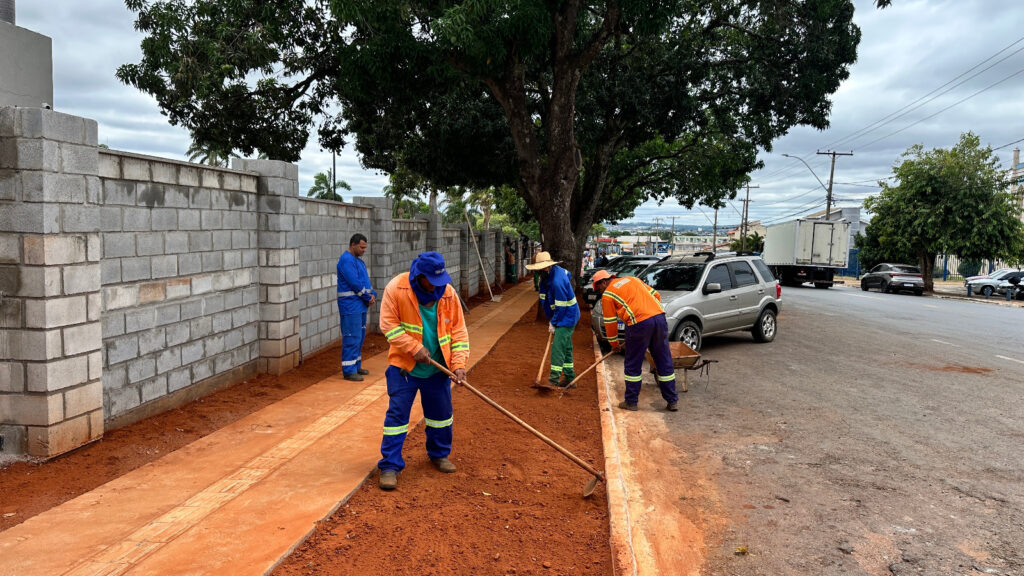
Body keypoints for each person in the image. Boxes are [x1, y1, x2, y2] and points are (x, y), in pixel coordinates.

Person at [376, 251, 470, 491]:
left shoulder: (448, 294)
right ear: (419, 276)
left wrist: (458, 365)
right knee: (397, 419)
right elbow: (388, 325)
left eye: (441, 280)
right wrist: (413, 347)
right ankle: (389, 466)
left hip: (438, 370)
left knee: (441, 417)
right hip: (404, 369)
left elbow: (459, 332)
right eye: (432, 281)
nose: (437, 286)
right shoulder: (397, 289)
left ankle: (439, 454)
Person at [592, 270, 678, 412]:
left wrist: (614, 344)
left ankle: (631, 402)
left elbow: (610, 322)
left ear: (604, 282)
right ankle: (672, 401)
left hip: (638, 324)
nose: (599, 291)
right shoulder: (633, 279)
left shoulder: (608, 295)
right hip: (659, 318)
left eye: (598, 287)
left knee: (633, 363)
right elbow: (656, 295)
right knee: (663, 360)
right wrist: (650, 313)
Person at [527, 251, 581, 387]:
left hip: (567, 316)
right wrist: (551, 317)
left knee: (558, 347)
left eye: (539, 269)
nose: (537, 272)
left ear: (546, 267)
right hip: (562, 314)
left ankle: (553, 379)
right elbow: (547, 296)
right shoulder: (549, 275)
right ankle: (570, 378)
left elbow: (561, 306)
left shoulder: (557, 281)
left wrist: (554, 322)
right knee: (566, 347)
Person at [337, 233, 377, 381]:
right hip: (350, 306)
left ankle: (356, 366)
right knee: (351, 337)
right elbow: (354, 283)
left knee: (358, 338)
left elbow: (365, 282)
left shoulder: (359, 262)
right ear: (353, 245)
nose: (364, 250)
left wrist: (372, 294)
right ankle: (349, 371)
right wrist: (367, 297)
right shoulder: (346, 260)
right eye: (361, 247)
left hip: (360, 305)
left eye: (365, 247)